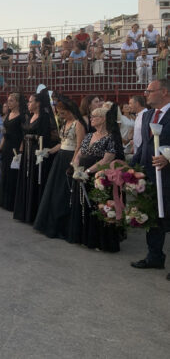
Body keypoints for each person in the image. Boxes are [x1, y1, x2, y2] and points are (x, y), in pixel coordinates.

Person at [67, 102, 121, 252]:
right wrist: (76, 168)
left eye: (95, 116)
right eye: (91, 116)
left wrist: (88, 172)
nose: (91, 119)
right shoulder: (89, 135)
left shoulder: (110, 137)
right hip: (82, 174)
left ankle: (98, 239)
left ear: (103, 118)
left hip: (98, 175)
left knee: (97, 205)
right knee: (82, 204)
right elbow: (80, 153)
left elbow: (107, 159)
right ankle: (82, 236)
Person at [130, 80, 170, 280]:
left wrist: (168, 157)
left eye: (150, 90)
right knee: (151, 218)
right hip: (149, 175)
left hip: (168, 176)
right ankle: (154, 256)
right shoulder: (146, 116)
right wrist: (131, 168)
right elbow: (144, 146)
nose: (145, 94)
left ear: (164, 92)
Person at [34, 95, 87, 238]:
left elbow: (79, 145)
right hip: (60, 157)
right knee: (54, 191)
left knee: (64, 192)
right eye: (59, 112)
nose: (60, 115)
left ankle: (63, 225)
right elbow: (62, 143)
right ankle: (50, 223)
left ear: (70, 111)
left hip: (70, 159)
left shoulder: (78, 124)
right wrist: (48, 151)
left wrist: (73, 163)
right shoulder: (65, 124)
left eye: (62, 113)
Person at [13, 89, 58, 223]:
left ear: (38, 103)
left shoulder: (44, 117)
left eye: (31, 101)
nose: (28, 104)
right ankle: (24, 211)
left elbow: (45, 137)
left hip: (36, 152)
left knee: (35, 179)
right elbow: (24, 133)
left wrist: (32, 139)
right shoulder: (29, 116)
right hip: (27, 150)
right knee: (25, 178)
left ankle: (34, 213)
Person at [0, 93, 27, 212]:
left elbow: (24, 135)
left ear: (18, 103)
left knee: (13, 174)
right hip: (7, 147)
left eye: (11, 101)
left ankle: (12, 203)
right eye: (8, 100)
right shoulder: (9, 114)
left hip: (16, 147)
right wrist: (0, 148)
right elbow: (5, 133)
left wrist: (20, 151)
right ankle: (4, 200)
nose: (8, 103)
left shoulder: (22, 116)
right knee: (5, 173)